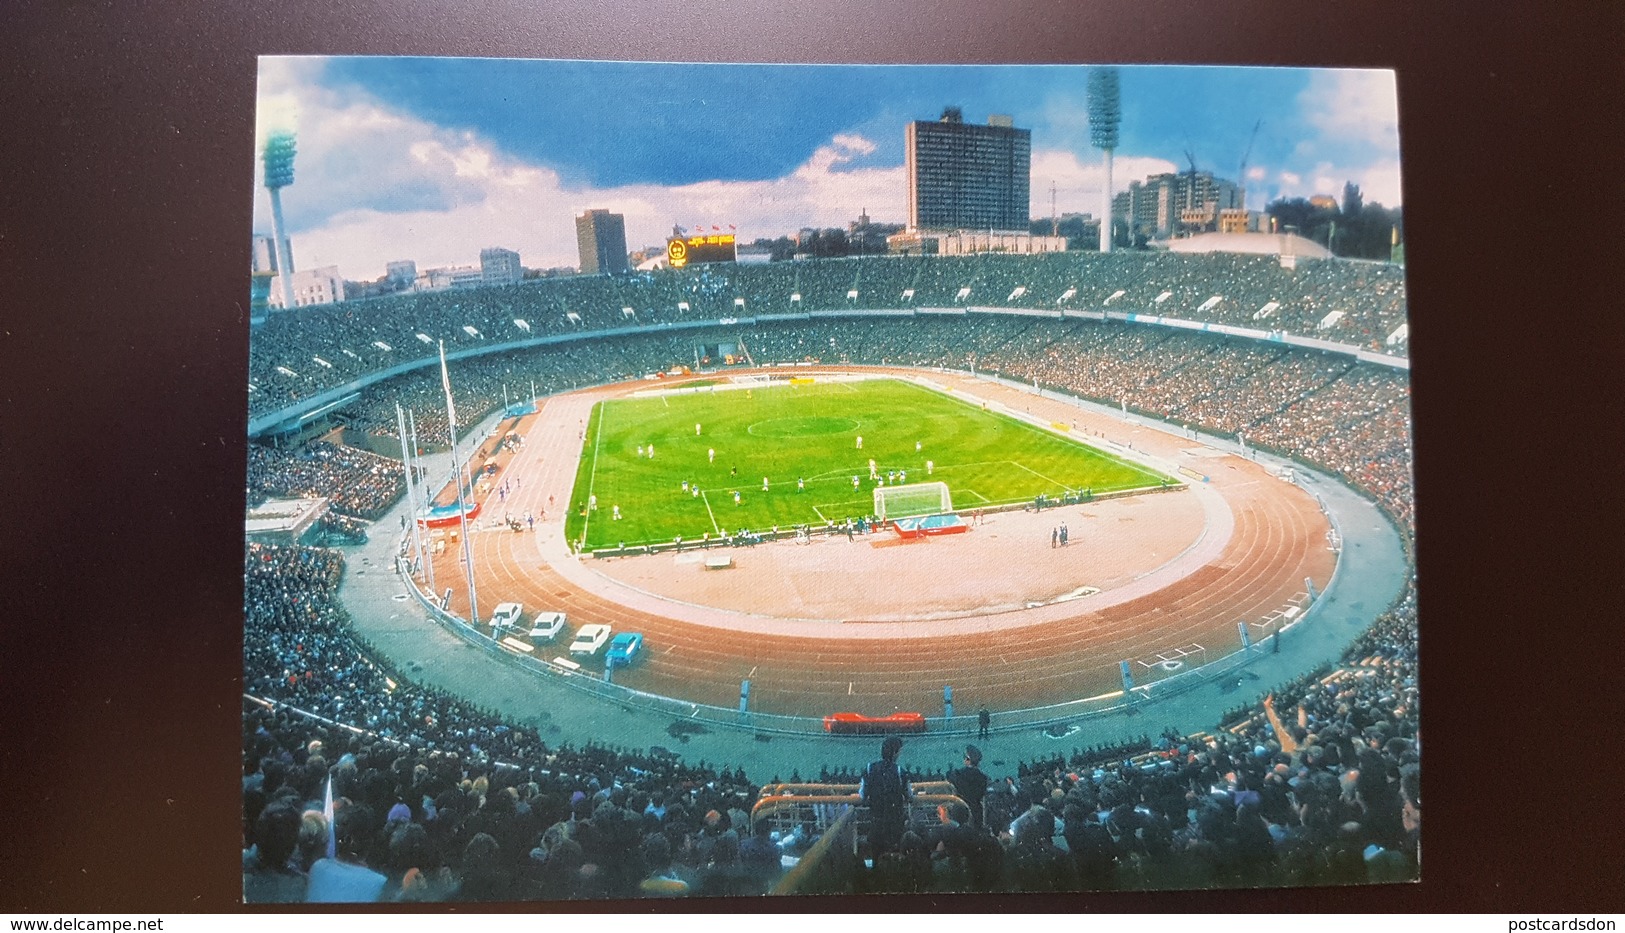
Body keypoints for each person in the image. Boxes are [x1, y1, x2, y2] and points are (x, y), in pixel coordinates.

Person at [859, 736, 912, 859]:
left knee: (876, 856)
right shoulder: (900, 772)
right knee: (894, 856)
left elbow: (862, 795)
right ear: (895, 753)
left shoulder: (869, 768)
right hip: (895, 824)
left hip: (876, 821)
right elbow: (909, 796)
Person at [947, 745, 990, 830]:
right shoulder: (983, 778)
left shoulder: (957, 774)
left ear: (967, 760)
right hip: (976, 812)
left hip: (959, 811)